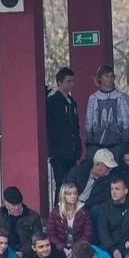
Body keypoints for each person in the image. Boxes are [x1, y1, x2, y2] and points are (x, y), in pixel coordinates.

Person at [46, 67, 83, 195]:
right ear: (59, 83)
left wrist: (77, 146)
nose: (72, 84)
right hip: (59, 151)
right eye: (68, 81)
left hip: (71, 151)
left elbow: (75, 127)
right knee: (61, 184)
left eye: (73, 81)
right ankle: (58, 207)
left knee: (70, 183)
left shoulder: (72, 103)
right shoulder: (52, 102)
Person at [85, 64, 129, 159]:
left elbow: (126, 121)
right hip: (97, 144)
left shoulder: (121, 97)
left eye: (112, 76)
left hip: (117, 144)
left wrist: (124, 139)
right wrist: (90, 140)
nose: (110, 79)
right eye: (106, 76)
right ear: (100, 78)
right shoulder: (94, 98)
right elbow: (89, 121)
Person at [0, 186, 43, 258]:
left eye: (19, 204)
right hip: (2, 250)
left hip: (25, 254)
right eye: (13, 205)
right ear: (6, 204)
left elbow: (37, 239)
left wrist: (23, 252)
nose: (17, 208)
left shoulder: (33, 217)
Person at [46, 183, 93, 258]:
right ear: (63, 196)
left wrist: (73, 248)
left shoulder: (83, 212)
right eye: (69, 194)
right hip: (59, 248)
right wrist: (63, 248)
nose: (73, 196)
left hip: (79, 247)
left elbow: (87, 234)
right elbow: (51, 234)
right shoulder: (55, 213)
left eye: (75, 193)